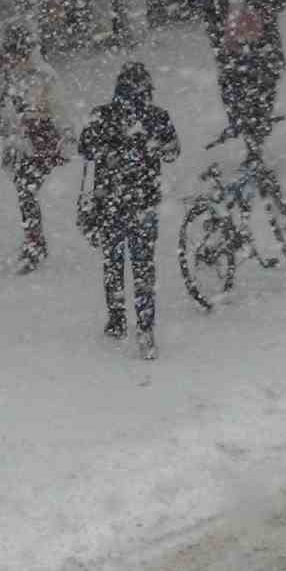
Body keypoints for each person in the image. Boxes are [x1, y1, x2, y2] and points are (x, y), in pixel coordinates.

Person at [78, 63, 181, 360]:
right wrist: (149, 149)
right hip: (143, 203)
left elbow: (85, 148)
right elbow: (173, 151)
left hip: (109, 202)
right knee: (143, 267)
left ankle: (117, 318)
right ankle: (145, 328)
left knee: (113, 263)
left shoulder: (102, 114)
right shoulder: (157, 117)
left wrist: (112, 153)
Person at [193, 0, 286, 143]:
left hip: (259, 60)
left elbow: (274, 11)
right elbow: (213, 23)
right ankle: (245, 129)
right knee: (237, 99)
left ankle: (255, 141)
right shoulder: (222, 0)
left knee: (258, 102)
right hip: (235, 60)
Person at [0, 25, 66, 274]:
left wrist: (66, 135)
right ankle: (35, 241)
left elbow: (57, 109)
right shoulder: (14, 76)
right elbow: (5, 110)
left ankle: (34, 244)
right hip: (24, 141)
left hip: (41, 138)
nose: (8, 61)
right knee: (25, 192)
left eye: (12, 55)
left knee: (27, 190)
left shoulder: (43, 75)